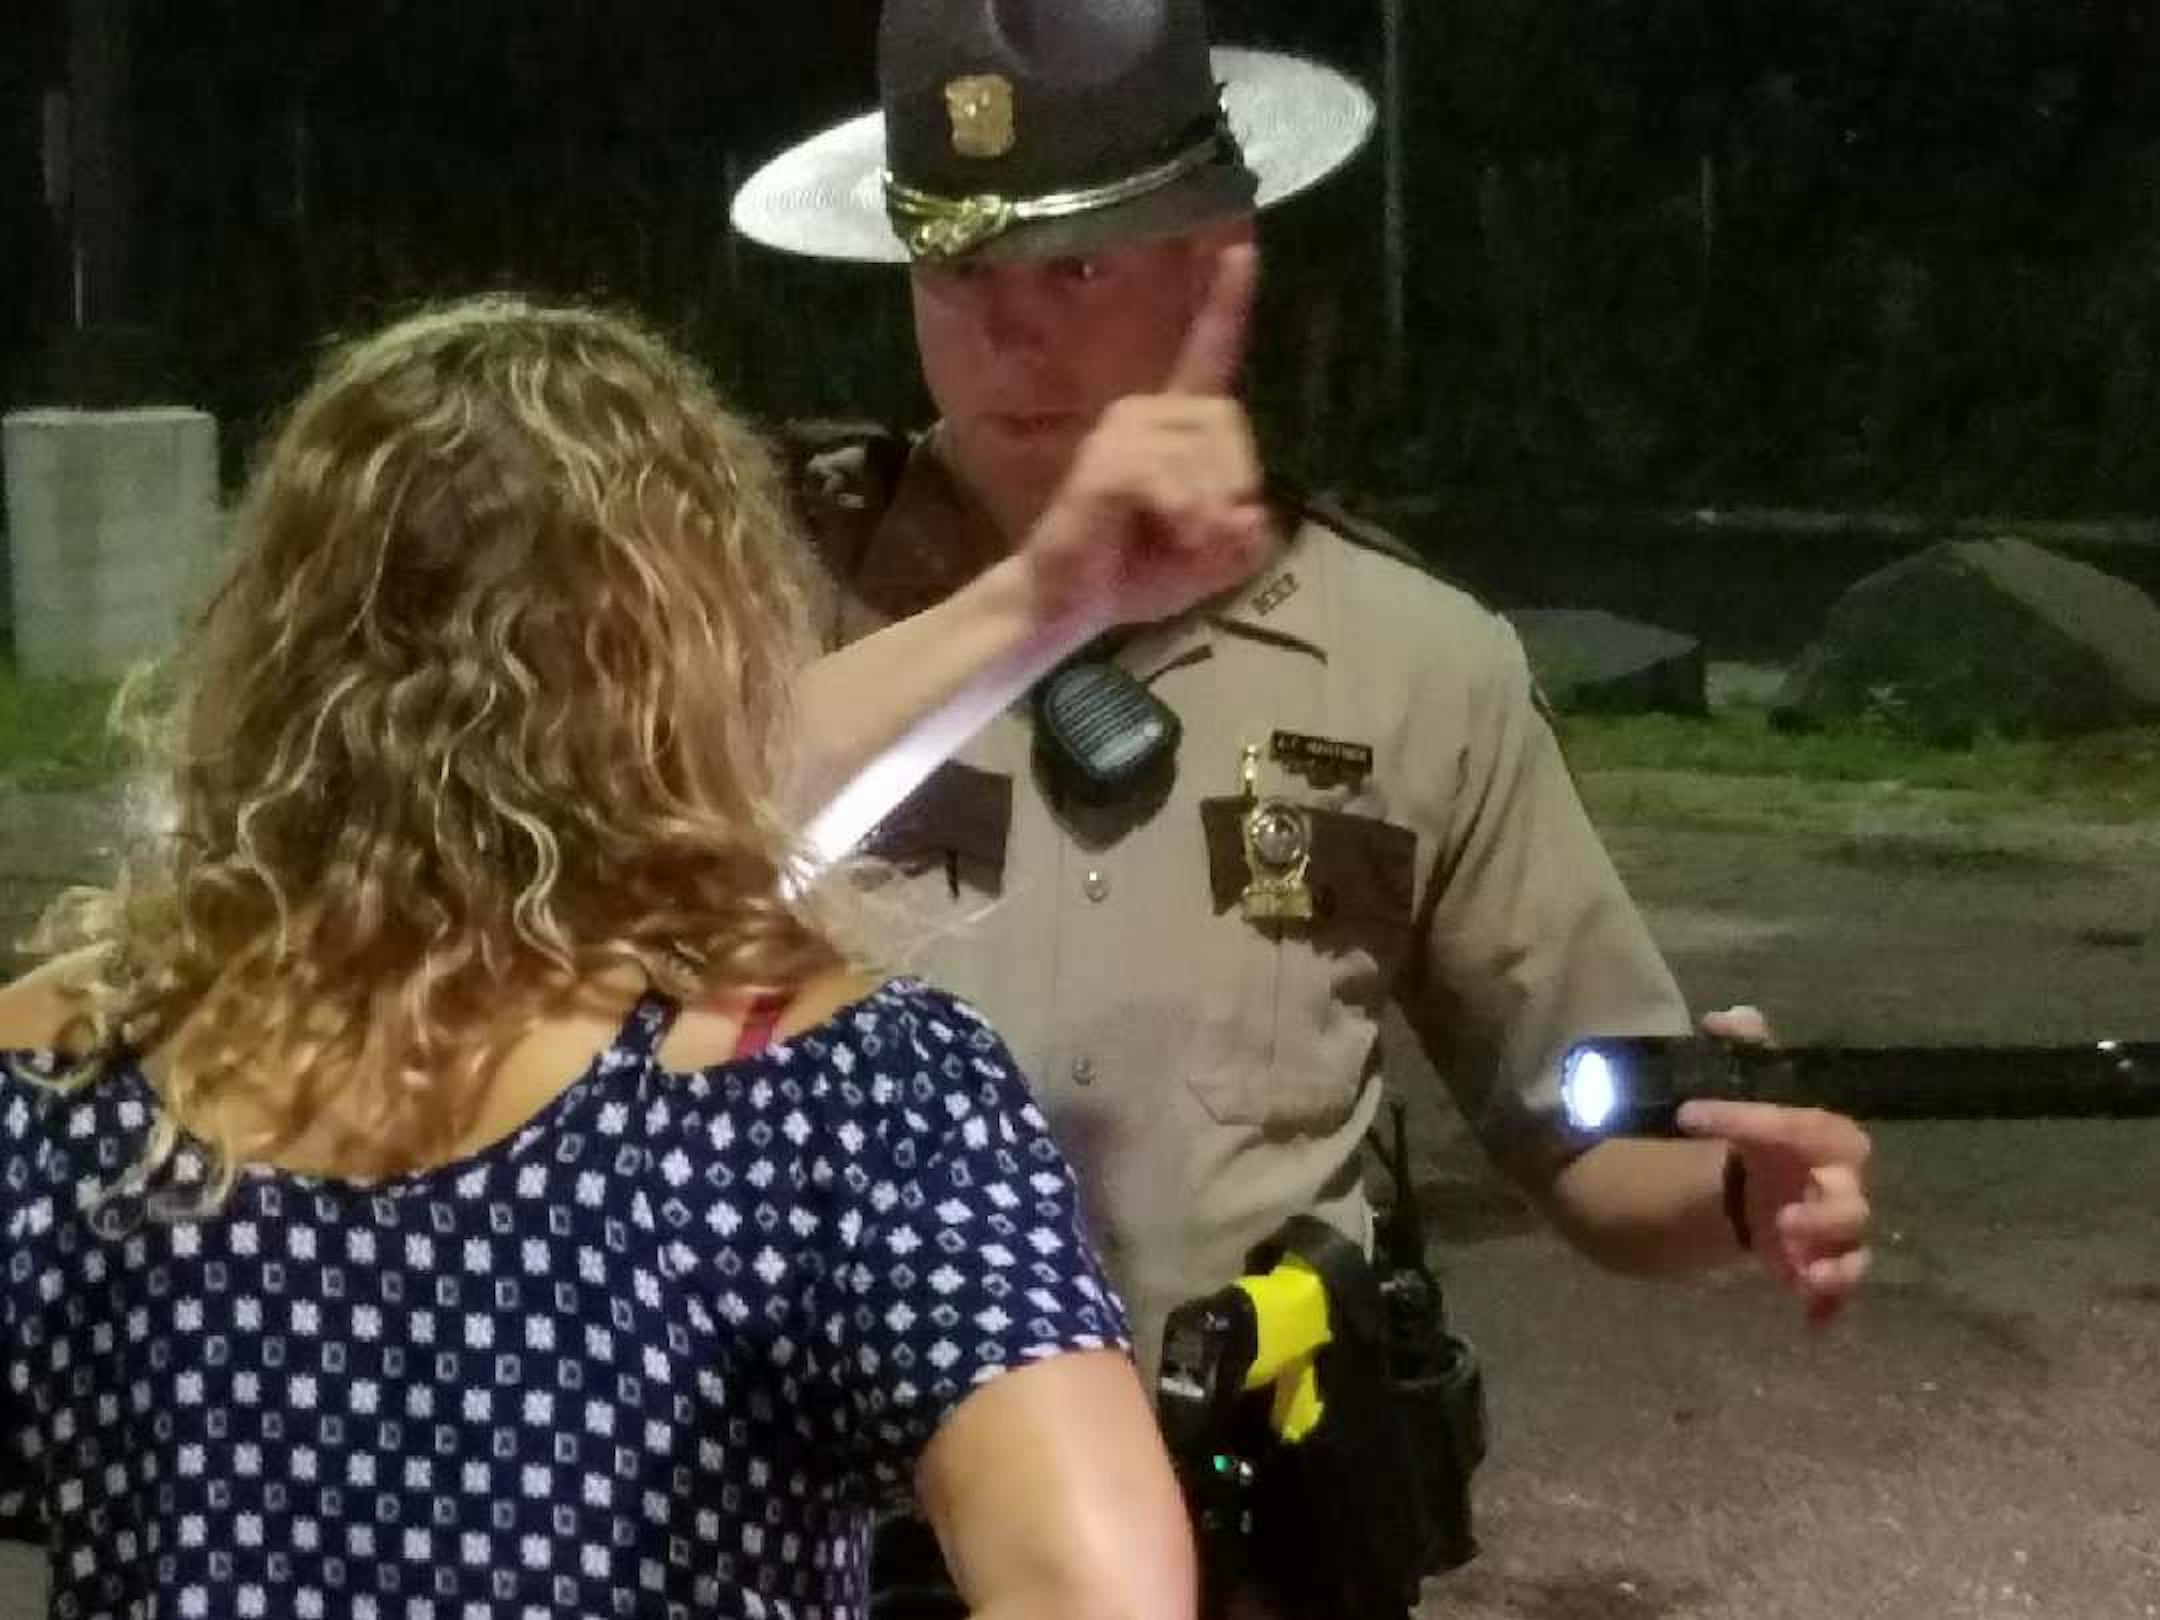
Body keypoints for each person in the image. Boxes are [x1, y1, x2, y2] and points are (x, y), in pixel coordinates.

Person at [732, 0, 1873, 1610]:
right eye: (956, 274)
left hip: (1241, 1552)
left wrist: (1735, 1187)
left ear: (1215, 261)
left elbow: (1585, 1133)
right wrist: (1031, 606)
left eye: (1078, 269)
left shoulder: (1409, 662)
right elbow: (568, 859)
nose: (1012, 335)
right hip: (816, 1542)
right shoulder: (748, 600)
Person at [0, 293, 1272, 1618]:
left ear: (269, 643)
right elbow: (1096, 1588)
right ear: (714, 653)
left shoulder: (57, 1081)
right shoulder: (838, 1100)